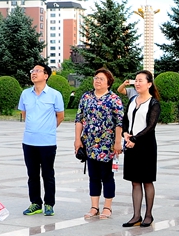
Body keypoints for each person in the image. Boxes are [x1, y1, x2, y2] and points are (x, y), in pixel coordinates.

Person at [75, 68, 124, 220]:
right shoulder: (86, 97)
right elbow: (79, 119)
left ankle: (107, 207)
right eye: (96, 78)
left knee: (107, 176)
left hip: (107, 145)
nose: (97, 81)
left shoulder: (114, 99)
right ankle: (94, 207)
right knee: (93, 176)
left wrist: (117, 142)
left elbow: (119, 122)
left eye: (101, 79)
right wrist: (77, 139)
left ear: (108, 83)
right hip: (90, 143)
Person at [19, 63, 65, 216]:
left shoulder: (55, 95)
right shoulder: (25, 94)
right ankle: (35, 203)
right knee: (32, 175)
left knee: (48, 174)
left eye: (38, 71)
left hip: (47, 142)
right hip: (29, 141)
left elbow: (60, 116)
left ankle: (49, 204)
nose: (34, 73)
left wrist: (48, 128)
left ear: (46, 75)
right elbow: (24, 114)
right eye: (32, 70)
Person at [122, 71, 160, 227]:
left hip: (146, 145)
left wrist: (135, 139)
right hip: (130, 144)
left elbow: (150, 126)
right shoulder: (132, 100)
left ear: (149, 84)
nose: (137, 83)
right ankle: (136, 215)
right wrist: (125, 134)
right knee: (135, 182)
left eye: (140, 81)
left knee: (147, 181)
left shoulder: (153, 103)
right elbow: (125, 119)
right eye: (136, 80)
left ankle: (148, 215)